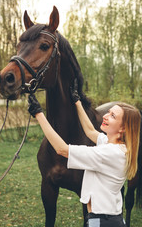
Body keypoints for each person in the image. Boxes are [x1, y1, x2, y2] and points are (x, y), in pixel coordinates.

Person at [28, 80, 141, 227]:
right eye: (108, 111)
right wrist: (77, 102)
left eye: (113, 116)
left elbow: (62, 149)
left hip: (103, 222)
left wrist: (38, 114)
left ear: (123, 129)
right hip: (108, 218)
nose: (105, 116)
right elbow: (89, 131)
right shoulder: (112, 144)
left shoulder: (109, 153)